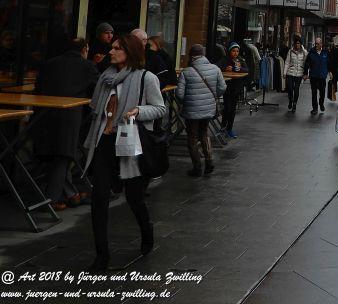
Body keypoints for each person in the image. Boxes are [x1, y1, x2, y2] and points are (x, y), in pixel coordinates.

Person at [83, 32, 165, 271]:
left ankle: (146, 232)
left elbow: (160, 108)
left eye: (117, 48)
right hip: (104, 144)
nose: (111, 51)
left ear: (129, 52)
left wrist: (138, 111)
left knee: (134, 198)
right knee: (98, 198)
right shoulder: (105, 78)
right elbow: (95, 109)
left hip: (130, 145)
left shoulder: (145, 78)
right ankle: (102, 255)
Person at [34, 37, 98, 209]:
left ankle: (71, 194)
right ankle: (51, 199)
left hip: (44, 113)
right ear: (84, 49)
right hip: (70, 115)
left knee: (54, 155)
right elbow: (96, 91)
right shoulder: (88, 66)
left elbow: (37, 88)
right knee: (64, 155)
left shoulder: (49, 64)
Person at [175, 44, 226, 177]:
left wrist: (184, 102)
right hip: (208, 108)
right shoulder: (215, 69)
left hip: (191, 110)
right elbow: (222, 87)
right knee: (204, 133)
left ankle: (197, 167)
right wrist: (213, 97)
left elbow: (179, 94)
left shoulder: (186, 72)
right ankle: (209, 162)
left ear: (191, 56)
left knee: (192, 137)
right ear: (203, 54)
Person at [219, 43, 248, 138]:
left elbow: (247, 69)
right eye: (233, 51)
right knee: (227, 108)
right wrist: (225, 68)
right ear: (229, 51)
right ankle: (222, 128)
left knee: (233, 109)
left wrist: (238, 69)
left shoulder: (240, 60)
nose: (235, 53)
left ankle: (229, 128)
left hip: (236, 87)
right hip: (227, 87)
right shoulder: (225, 59)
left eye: (237, 51)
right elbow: (216, 67)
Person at [305, 38, 329, 115]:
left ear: (321, 44)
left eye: (318, 44)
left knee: (322, 92)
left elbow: (329, 63)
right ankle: (315, 108)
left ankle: (321, 103)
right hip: (314, 76)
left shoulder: (325, 52)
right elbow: (307, 63)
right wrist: (305, 73)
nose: (316, 45)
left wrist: (330, 72)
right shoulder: (311, 52)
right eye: (315, 44)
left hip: (322, 76)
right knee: (314, 92)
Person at [283, 35, 307, 113]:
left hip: (299, 74)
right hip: (290, 73)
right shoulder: (290, 51)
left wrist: (305, 74)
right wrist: (284, 73)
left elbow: (307, 63)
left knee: (296, 89)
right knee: (290, 88)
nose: (297, 45)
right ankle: (290, 100)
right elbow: (287, 62)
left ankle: (294, 104)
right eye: (296, 43)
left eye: (299, 43)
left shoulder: (304, 52)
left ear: (301, 44)